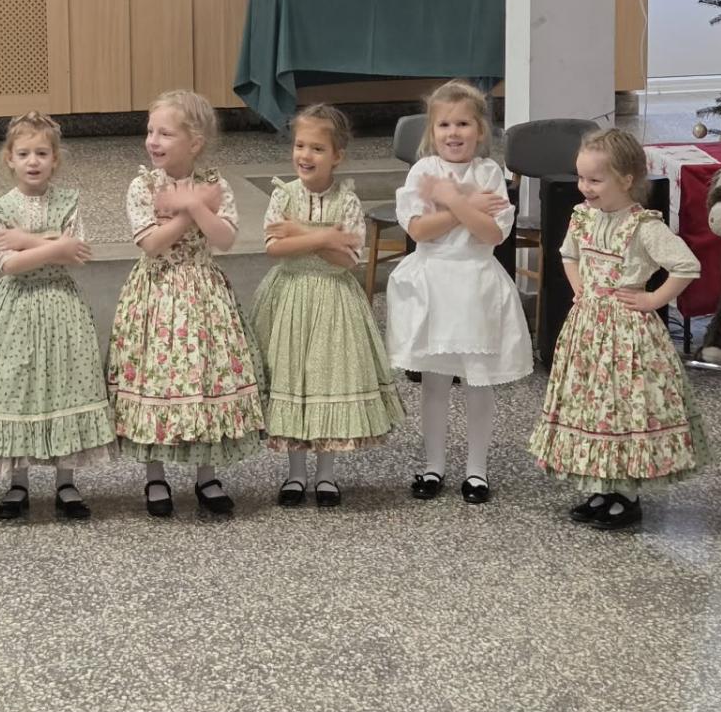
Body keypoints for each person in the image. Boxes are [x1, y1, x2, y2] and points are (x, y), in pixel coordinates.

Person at [527, 128, 703, 530]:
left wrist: (653, 299)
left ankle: (627, 494)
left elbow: (686, 265)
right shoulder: (583, 217)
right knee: (593, 406)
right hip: (588, 329)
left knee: (623, 406)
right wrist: (580, 288)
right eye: (581, 177)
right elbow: (568, 254)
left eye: (595, 180)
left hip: (627, 335)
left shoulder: (644, 226)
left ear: (626, 180)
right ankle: (602, 487)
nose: (584, 187)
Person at [106, 90, 264, 517]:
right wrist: (189, 212)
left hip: (202, 292)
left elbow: (225, 239)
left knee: (202, 377)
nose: (152, 141)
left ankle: (206, 474)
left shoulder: (215, 185)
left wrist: (194, 202)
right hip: (156, 293)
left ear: (194, 143)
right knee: (155, 379)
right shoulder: (143, 186)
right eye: (150, 131)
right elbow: (152, 243)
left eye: (165, 133)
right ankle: (154, 476)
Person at [387, 80, 533, 505]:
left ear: (480, 129)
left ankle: (476, 470)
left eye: (463, 124)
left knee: (477, 382)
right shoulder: (422, 172)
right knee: (434, 382)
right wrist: (463, 206)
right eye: (444, 124)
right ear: (432, 131)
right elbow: (419, 230)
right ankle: (434, 465)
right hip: (433, 284)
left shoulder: (489, 173)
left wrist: (450, 200)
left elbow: (492, 233)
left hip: (475, 286)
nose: (454, 132)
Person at [0, 113, 115, 521]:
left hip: (61, 306)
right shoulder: (2, 206)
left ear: (55, 159)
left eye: (42, 153)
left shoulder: (68, 202)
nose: (33, 161)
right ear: (9, 159)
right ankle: (19, 483)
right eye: (24, 153)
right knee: (19, 388)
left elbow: (77, 254)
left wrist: (27, 241)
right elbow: (10, 264)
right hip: (16, 307)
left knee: (65, 385)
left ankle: (67, 482)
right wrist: (53, 244)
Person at [255, 105, 403, 508]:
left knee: (327, 380)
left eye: (317, 148)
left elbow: (347, 259)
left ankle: (326, 474)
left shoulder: (348, 200)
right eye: (300, 145)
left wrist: (301, 234)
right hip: (289, 296)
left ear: (337, 155)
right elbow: (274, 247)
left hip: (333, 299)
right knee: (292, 378)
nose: (305, 155)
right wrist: (323, 238)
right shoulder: (283, 194)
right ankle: (295, 473)